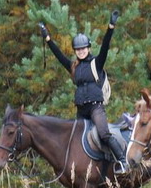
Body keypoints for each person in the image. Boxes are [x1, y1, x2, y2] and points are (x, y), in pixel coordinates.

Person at [39, 10, 126, 172]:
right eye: (78, 49)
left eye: (83, 48)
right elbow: (58, 55)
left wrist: (111, 27)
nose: (81, 51)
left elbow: (106, 45)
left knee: (103, 133)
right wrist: (47, 38)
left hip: (95, 107)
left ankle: (123, 161)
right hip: (81, 110)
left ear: (88, 48)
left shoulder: (96, 63)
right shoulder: (73, 67)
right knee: (75, 139)